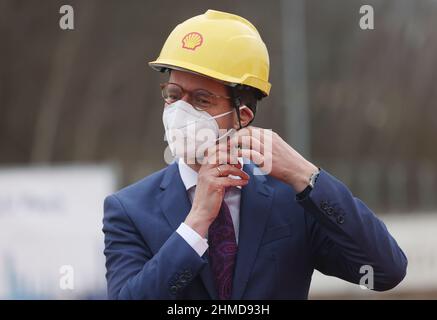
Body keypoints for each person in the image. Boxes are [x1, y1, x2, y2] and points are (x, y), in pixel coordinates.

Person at [103, 9, 407, 300]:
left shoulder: (292, 197)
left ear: (242, 115)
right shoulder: (128, 209)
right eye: (172, 95)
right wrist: (195, 223)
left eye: (201, 99)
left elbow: (386, 270)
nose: (179, 110)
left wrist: (306, 175)